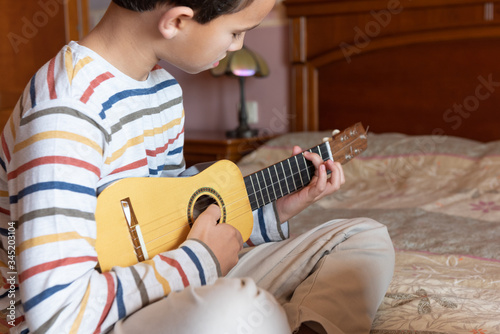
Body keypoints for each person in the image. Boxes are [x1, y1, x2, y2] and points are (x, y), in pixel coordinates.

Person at [0, 0, 395, 333]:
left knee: (363, 240)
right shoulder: (67, 110)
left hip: (161, 280)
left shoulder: (164, 91)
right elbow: (55, 314)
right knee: (236, 306)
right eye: (236, 32)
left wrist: (275, 210)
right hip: (88, 320)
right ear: (177, 21)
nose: (238, 46)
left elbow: (171, 223)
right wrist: (200, 261)